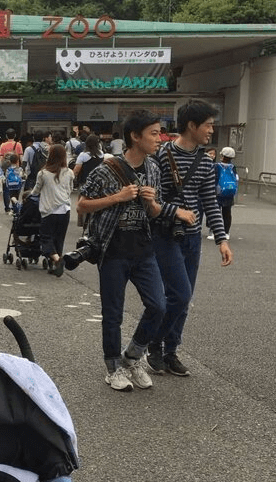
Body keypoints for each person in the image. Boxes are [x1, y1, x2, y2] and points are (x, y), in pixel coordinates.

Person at [76, 110, 194, 391]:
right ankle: (113, 367)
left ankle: (132, 356)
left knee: (159, 305)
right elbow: (82, 205)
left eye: (159, 133)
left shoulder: (153, 168)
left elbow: (154, 213)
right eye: (153, 133)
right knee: (113, 313)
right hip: (112, 250)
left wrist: (152, 204)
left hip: (144, 249)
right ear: (134, 136)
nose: (159, 138)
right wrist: (118, 197)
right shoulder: (106, 168)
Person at [147, 100, 233, 378]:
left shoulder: (206, 162)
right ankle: (153, 344)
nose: (211, 130)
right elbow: (153, 200)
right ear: (191, 126)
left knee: (184, 298)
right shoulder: (161, 156)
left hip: (192, 238)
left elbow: (211, 203)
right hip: (165, 235)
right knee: (179, 294)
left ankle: (170, 351)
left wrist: (222, 239)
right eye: (208, 125)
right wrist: (178, 213)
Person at [29, 142, 74, 277]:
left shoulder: (43, 173)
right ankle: (56, 264)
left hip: (49, 210)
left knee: (46, 238)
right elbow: (70, 190)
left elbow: (36, 191)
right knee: (59, 238)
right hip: (65, 209)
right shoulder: (70, 172)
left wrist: (28, 196)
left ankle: (57, 260)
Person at [210, 147, 238, 239]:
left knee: (216, 213)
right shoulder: (233, 167)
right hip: (229, 192)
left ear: (222, 155)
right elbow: (235, 178)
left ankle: (215, 232)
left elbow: (214, 178)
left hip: (218, 192)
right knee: (227, 213)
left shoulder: (216, 166)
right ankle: (226, 232)